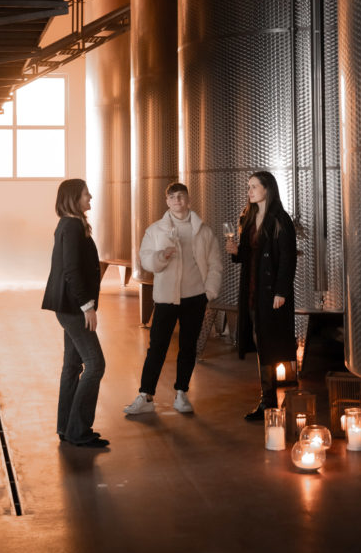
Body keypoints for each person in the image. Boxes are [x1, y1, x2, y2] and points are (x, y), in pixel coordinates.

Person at [125, 182, 222, 416]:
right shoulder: (155, 230)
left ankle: (181, 393)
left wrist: (208, 293)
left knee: (188, 347)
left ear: (188, 199)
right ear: (167, 201)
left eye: (181, 196)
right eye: (172, 197)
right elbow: (146, 259)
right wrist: (161, 256)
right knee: (157, 347)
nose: (177, 200)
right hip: (166, 298)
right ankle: (145, 395)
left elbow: (215, 264)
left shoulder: (203, 230)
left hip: (194, 298)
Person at [225, 170, 298, 421]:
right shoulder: (249, 216)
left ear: (268, 189)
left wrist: (281, 291)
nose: (250, 191)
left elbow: (288, 258)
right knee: (261, 343)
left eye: (254, 186)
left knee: (270, 344)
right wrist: (236, 251)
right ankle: (268, 400)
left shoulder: (280, 219)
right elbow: (249, 254)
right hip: (253, 290)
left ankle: (270, 401)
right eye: (249, 187)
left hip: (271, 292)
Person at [42, 178, 108, 448]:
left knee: (72, 366)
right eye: (85, 194)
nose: (90, 197)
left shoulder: (70, 224)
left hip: (68, 306)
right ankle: (79, 430)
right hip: (73, 308)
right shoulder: (71, 226)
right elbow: (71, 270)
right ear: (73, 198)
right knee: (95, 364)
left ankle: (66, 427)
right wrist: (87, 306)